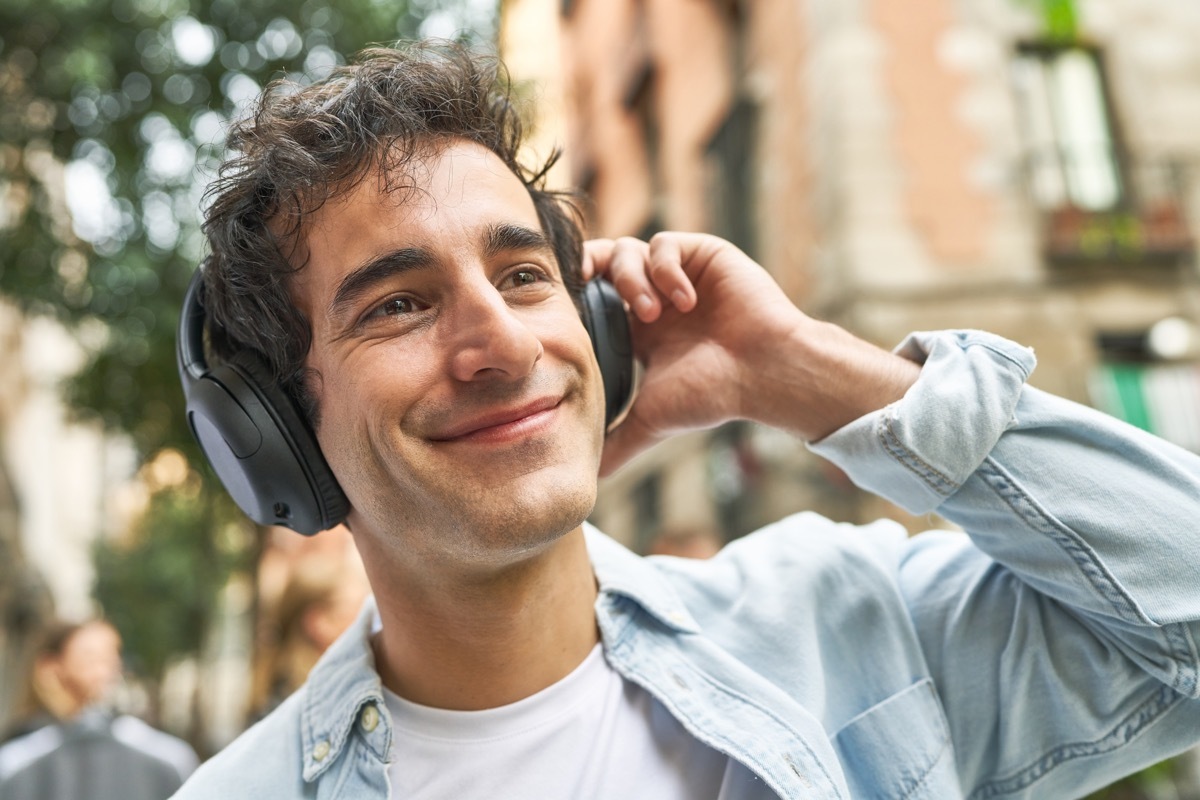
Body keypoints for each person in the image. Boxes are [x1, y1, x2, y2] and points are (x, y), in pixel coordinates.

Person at [173, 42, 1200, 799]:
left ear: (603, 334)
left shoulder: (841, 621)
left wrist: (797, 370)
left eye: (527, 275)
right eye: (399, 302)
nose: (511, 343)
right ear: (276, 430)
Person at [0, 619, 198, 800]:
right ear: (50, 666)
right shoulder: (22, 753)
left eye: (112, 655)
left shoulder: (159, 751)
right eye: (91, 657)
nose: (107, 669)